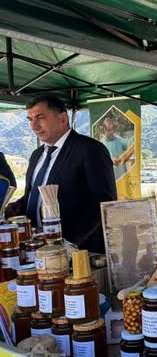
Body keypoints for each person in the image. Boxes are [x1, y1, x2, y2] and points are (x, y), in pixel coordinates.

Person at [6, 96, 117, 253]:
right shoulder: (37, 155)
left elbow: (104, 201)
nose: (34, 126)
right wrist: (18, 206)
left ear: (63, 118)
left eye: (40, 117)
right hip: (37, 248)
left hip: (78, 251)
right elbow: (39, 194)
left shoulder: (90, 149)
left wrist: (68, 243)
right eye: (30, 119)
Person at [100, 116, 134, 180]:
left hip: (122, 179)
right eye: (109, 130)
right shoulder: (100, 144)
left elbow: (130, 143)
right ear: (104, 130)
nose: (111, 132)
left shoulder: (119, 140)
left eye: (112, 129)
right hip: (108, 179)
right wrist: (110, 160)